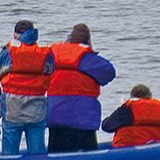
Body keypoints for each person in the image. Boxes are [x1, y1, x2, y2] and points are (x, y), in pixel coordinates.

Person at [46, 24, 116, 153]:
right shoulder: (89, 60)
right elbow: (109, 73)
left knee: (56, 153)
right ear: (87, 41)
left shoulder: (51, 56)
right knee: (88, 155)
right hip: (83, 119)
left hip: (55, 115)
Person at [0, 20, 53, 155]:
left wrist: (7, 72)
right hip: (37, 104)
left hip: (12, 105)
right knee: (37, 148)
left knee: (10, 147)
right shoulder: (46, 53)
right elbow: (51, 71)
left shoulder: (9, 52)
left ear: (15, 35)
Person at [102, 84, 160, 148]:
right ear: (150, 97)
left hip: (126, 150)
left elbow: (106, 127)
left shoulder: (126, 109)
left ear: (132, 97)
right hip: (156, 149)